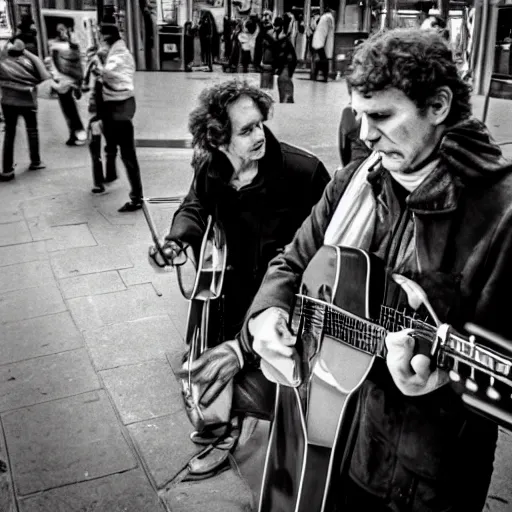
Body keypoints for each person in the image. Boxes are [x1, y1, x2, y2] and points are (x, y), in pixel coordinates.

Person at [242, 28, 512, 511]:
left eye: (382, 116)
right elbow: (292, 260)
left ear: (439, 105)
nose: (363, 134)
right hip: (329, 436)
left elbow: (499, 367)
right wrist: (266, 313)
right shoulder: (354, 180)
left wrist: (443, 382)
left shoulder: (500, 213)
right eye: (359, 115)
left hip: (419, 480)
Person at [149, 79, 330, 475]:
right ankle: (222, 429)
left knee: (274, 376)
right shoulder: (211, 166)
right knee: (216, 357)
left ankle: (283, 441)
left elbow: (329, 246)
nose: (260, 134)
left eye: (259, 123)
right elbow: (194, 206)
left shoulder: (303, 172)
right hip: (227, 287)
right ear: (218, 139)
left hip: (280, 294)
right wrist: (178, 241)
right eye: (245, 130)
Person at [94, 23, 144, 212]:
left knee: (128, 155)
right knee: (113, 149)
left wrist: (99, 65)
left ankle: (137, 197)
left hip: (119, 113)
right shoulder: (116, 54)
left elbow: (111, 74)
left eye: (101, 38)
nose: (99, 43)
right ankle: (108, 177)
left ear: (107, 39)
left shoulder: (119, 56)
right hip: (113, 112)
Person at [0, 38, 50, 181]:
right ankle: (35, 162)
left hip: (8, 101)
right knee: (32, 131)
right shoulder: (30, 62)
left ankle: (7, 170)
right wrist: (27, 52)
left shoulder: (3, 60)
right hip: (28, 101)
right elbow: (45, 76)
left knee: (9, 134)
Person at [83, 43, 118, 194]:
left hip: (97, 117)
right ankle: (109, 175)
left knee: (96, 149)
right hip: (108, 116)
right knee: (109, 146)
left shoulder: (96, 74)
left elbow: (83, 88)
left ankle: (100, 182)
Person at [47, 23, 87, 146]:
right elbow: (78, 65)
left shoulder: (55, 47)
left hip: (62, 83)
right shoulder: (73, 47)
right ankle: (76, 134)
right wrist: (78, 80)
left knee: (69, 111)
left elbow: (58, 67)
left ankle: (78, 134)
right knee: (72, 109)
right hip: (72, 82)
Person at [311, 5, 336, 82]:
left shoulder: (324, 17)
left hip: (319, 41)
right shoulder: (328, 17)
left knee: (323, 59)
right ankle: (322, 75)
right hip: (320, 42)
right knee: (324, 60)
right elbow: (327, 32)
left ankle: (316, 74)